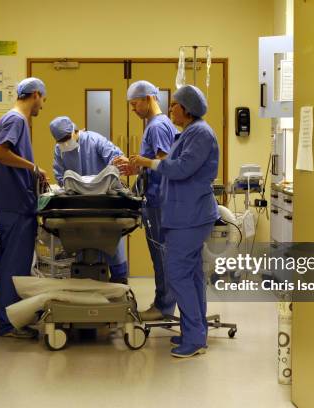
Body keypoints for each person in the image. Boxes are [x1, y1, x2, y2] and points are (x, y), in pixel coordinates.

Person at [130, 85, 219, 358]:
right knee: (190, 275)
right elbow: (175, 162)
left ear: (186, 108)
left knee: (177, 272)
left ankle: (194, 339)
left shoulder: (201, 134)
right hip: (183, 213)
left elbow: (181, 168)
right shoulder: (190, 133)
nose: (170, 111)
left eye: (174, 106)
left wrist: (148, 162)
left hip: (190, 216)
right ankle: (195, 332)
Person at [113, 80, 176, 321]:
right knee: (160, 253)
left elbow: (164, 163)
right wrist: (135, 167)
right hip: (157, 196)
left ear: (148, 98)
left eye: (134, 103)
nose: (133, 109)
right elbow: (154, 163)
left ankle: (164, 307)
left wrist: (140, 162)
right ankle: (164, 304)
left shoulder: (157, 126)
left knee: (161, 254)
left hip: (159, 199)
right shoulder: (157, 125)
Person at [0, 77, 48, 338]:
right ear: (35, 94)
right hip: (14, 205)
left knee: (15, 264)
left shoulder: (15, 121)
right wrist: (32, 167)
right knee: (14, 266)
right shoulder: (16, 120)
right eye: (43, 100)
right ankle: (9, 323)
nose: (42, 106)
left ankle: (11, 318)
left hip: (16, 204)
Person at [50, 116, 129, 284]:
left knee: (113, 246)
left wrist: (110, 172)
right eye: (60, 141)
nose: (65, 143)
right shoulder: (60, 149)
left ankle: (119, 281)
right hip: (77, 207)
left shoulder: (94, 139)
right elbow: (60, 176)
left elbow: (116, 158)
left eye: (66, 138)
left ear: (75, 131)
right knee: (82, 247)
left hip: (105, 205)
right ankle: (85, 287)